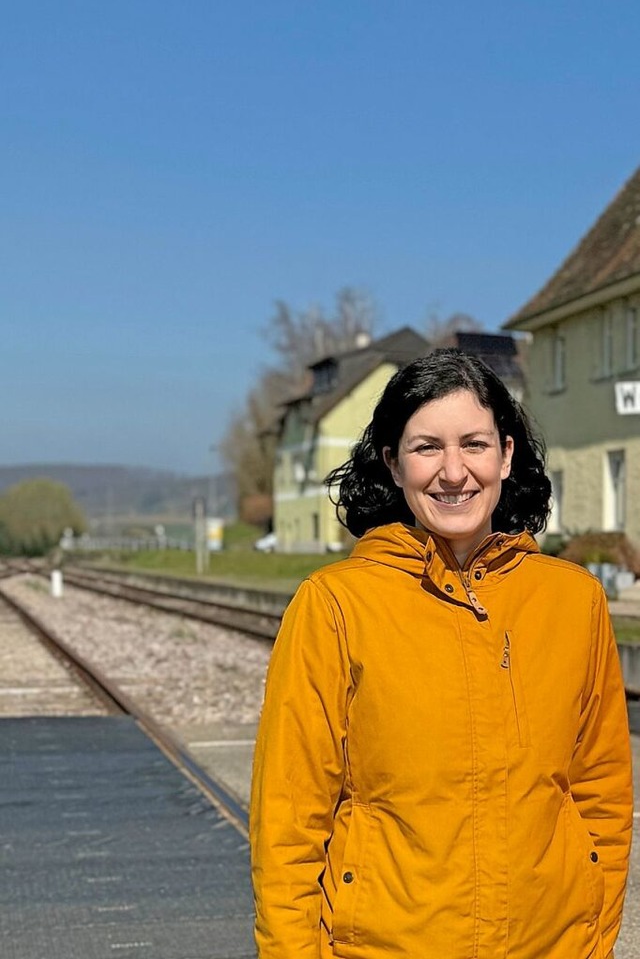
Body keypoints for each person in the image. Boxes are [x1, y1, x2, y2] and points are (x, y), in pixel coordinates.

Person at [250, 348, 633, 959]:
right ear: (393, 465)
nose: (453, 472)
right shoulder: (333, 607)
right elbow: (287, 826)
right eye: (427, 447)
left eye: (474, 444)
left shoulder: (574, 602)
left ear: (506, 455)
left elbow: (602, 796)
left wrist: (592, 937)